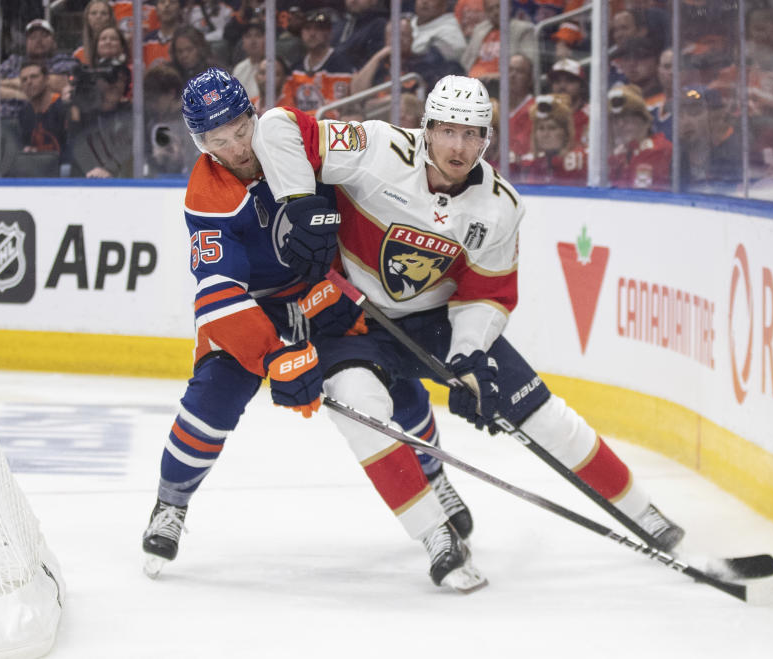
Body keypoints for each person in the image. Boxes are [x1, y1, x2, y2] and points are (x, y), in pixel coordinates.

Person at [250, 75, 685, 588]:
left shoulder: (500, 206)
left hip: (435, 323)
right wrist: (299, 201)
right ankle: (436, 534)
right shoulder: (377, 149)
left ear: (487, 140)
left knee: (544, 415)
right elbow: (276, 126)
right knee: (362, 409)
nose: (458, 147)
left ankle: (644, 513)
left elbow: (486, 295)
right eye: (448, 131)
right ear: (427, 128)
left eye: (472, 134)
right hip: (355, 320)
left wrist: (468, 360)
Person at [141, 68, 474, 590]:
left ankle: (435, 477)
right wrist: (273, 354)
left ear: (254, 116)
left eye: (239, 129)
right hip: (255, 311)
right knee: (210, 400)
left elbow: (367, 193)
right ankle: (170, 504)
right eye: (216, 139)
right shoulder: (207, 195)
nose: (235, 148)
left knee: (393, 383)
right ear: (199, 142)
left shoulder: (297, 144)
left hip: (329, 295)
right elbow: (218, 294)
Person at [510, 92, 587, 185]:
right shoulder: (532, 164)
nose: (545, 134)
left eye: (552, 128)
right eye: (541, 128)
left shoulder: (579, 162)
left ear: (566, 133)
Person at [73, 0, 116, 65]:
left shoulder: (120, 47)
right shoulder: (79, 53)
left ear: (110, 18)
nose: (98, 17)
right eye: (93, 13)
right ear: (87, 18)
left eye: (104, 13)